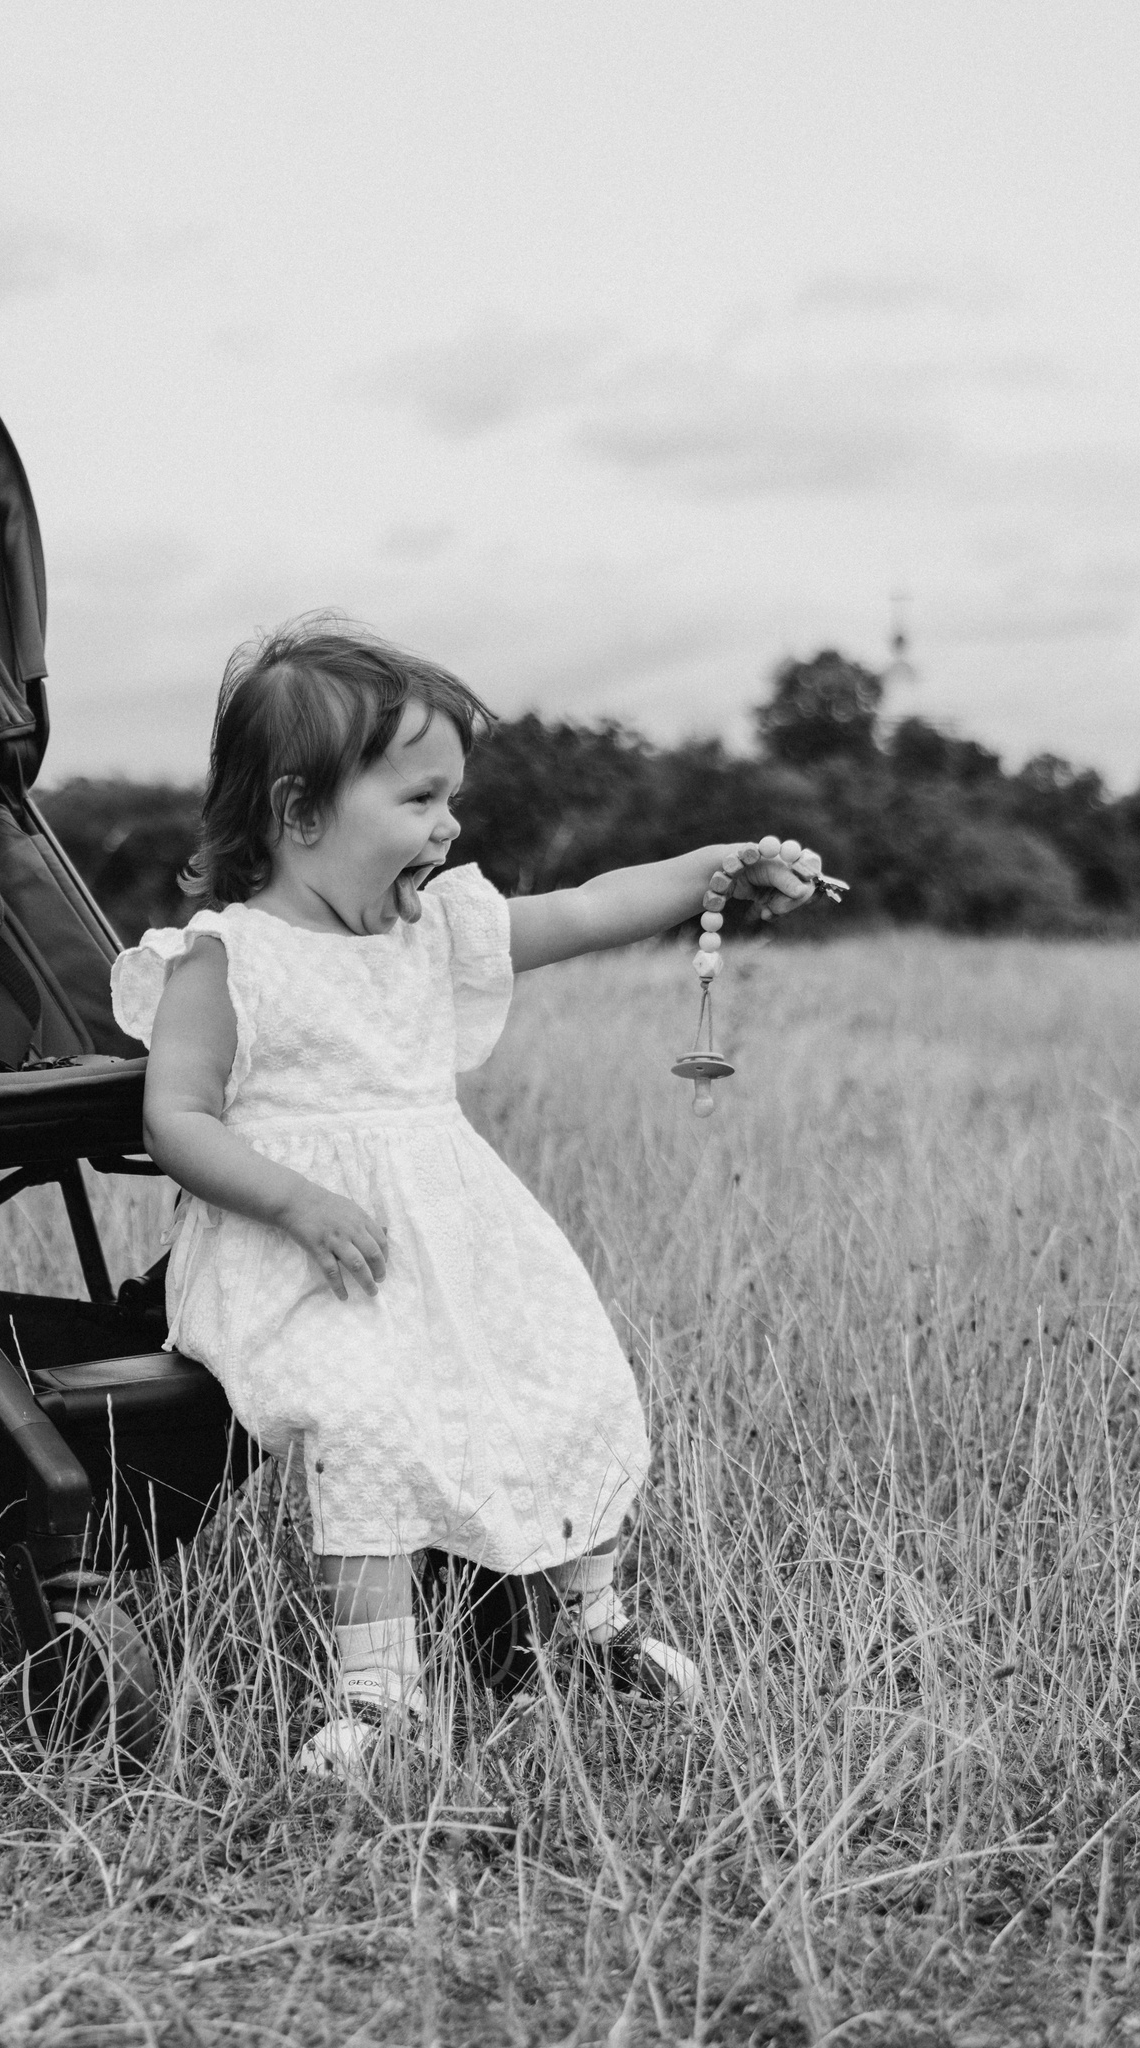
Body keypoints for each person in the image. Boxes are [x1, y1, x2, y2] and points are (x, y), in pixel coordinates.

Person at [109, 616, 825, 1774]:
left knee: (565, 1372)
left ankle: (590, 1623)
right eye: (418, 797)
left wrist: (719, 868)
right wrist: (293, 1200)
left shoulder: (431, 930)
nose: (448, 824)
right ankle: (381, 1694)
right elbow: (177, 1117)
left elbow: (590, 906)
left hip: (459, 1237)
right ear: (299, 811)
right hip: (299, 1251)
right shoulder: (225, 956)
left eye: (451, 796)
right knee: (370, 1414)